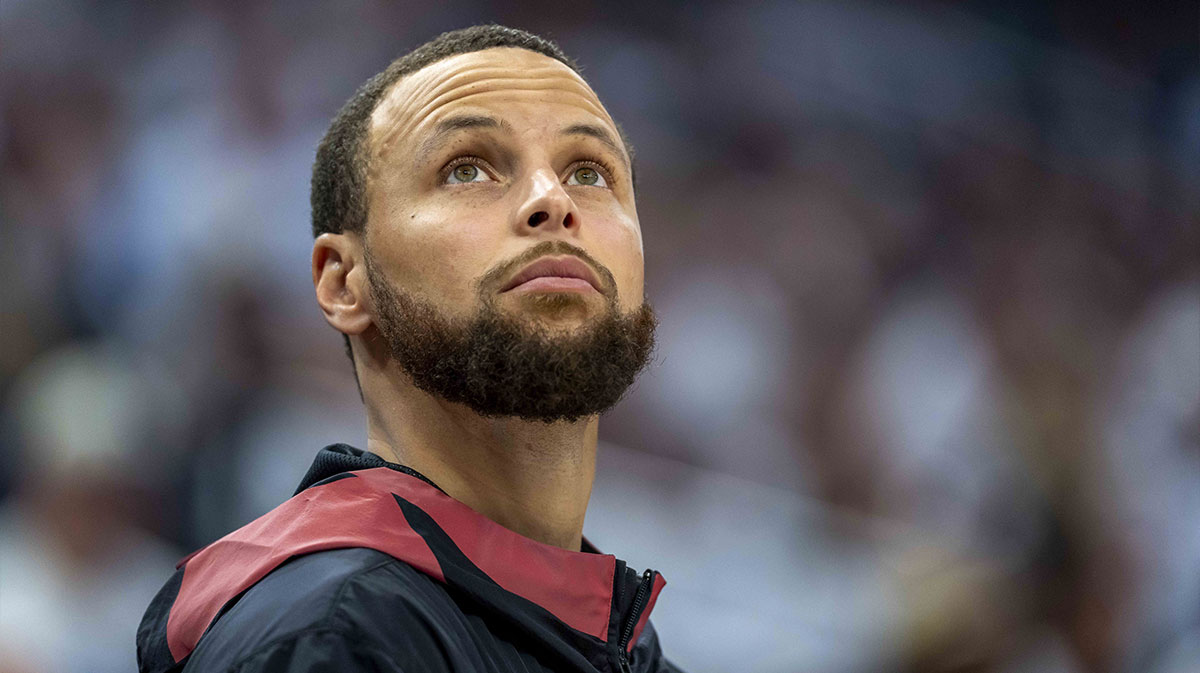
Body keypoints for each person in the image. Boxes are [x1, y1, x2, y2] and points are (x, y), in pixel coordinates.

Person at [137, 24, 679, 673]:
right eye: (467, 168)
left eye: (589, 171)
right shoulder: (333, 635)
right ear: (343, 284)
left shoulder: (617, 641)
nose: (553, 201)